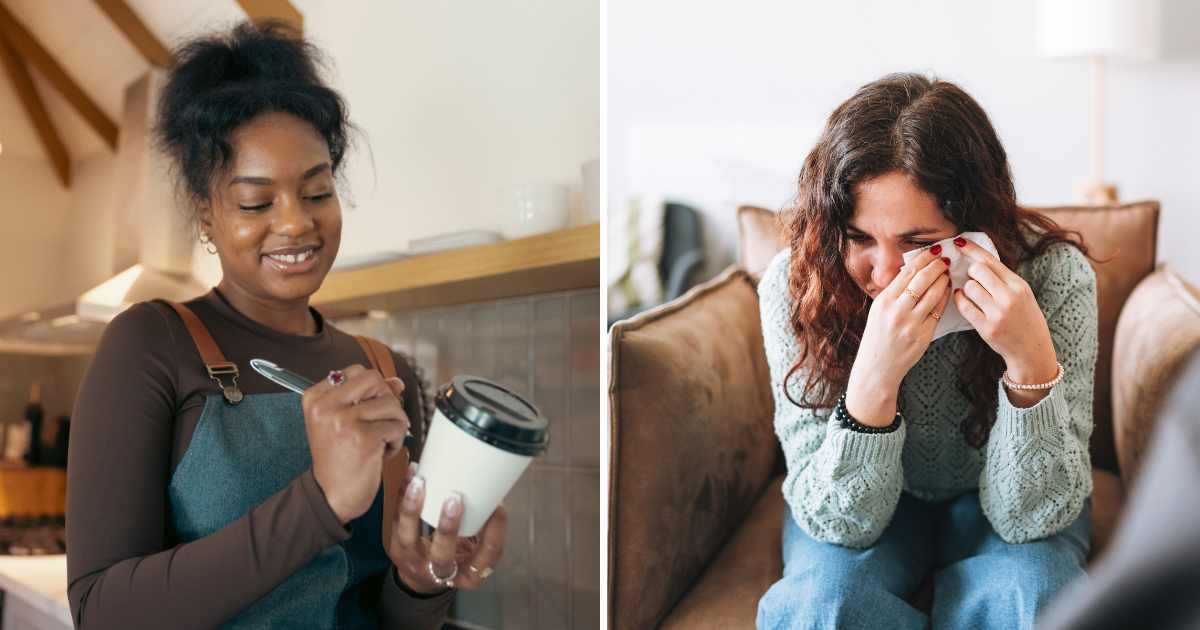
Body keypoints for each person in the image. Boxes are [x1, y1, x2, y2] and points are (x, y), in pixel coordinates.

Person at [66, 22, 505, 629]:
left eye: (317, 192)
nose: (296, 223)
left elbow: (391, 619)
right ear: (205, 212)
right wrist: (318, 503)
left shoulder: (386, 370)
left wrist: (423, 579)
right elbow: (101, 611)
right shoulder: (151, 345)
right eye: (256, 202)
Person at [754, 73, 1099, 629]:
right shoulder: (797, 286)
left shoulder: (1054, 277)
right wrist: (875, 378)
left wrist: (1028, 364)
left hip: (1001, 497)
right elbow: (840, 524)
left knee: (1041, 592)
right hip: (867, 508)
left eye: (916, 244)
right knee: (820, 605)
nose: (886, 274)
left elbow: (1031, 518)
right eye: (859, 237)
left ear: (976, 227)